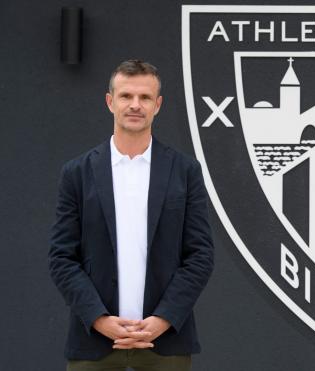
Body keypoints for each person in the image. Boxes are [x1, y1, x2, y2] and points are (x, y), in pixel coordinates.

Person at [49, 59, 214, 371]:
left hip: (165, 343)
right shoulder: (76, 173)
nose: (135, 105)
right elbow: (61, 257)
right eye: (126, 96)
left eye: (145, 97)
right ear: (110, 101)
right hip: (94, 342)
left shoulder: (185, 171)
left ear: (158, 105)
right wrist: (99, 319)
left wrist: (163, 319)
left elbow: (200, 255)